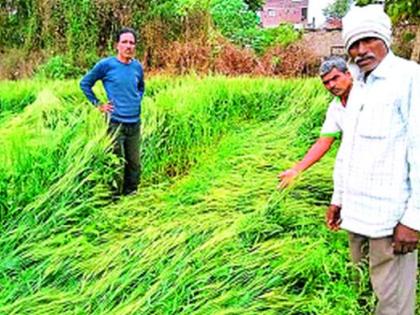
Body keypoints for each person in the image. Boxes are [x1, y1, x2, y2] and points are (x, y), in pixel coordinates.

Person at [326, 5, 420, 315]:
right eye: (354, 44)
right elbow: (347, 151)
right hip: (356, 214)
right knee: (361, 291)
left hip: (391, 221)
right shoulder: (359, 85)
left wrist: (414, 219)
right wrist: (338, 198)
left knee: (392, 304)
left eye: (369, 40)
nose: (361, 50)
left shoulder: (409, 78)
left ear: (385, 39)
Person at [80, 27, 145, 196]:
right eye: (124, 42)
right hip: (115, 123)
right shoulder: (106, 65)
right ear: (117, 45)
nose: (128, 46)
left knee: (134, 162)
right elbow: (85, 84)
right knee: (116, 163)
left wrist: (136, 100)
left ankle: (131, 193)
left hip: (134, 123)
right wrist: (98, 105)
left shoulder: (137, 66)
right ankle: (114, 197)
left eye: (132, 43)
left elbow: (141, 87)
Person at [278, 56, 353, 189]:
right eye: (326, 82)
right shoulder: (335, 107)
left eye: (335, 78)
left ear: (348, 74)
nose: (331, 85)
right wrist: (296, 170)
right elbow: (323, 142)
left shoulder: (368, 98)